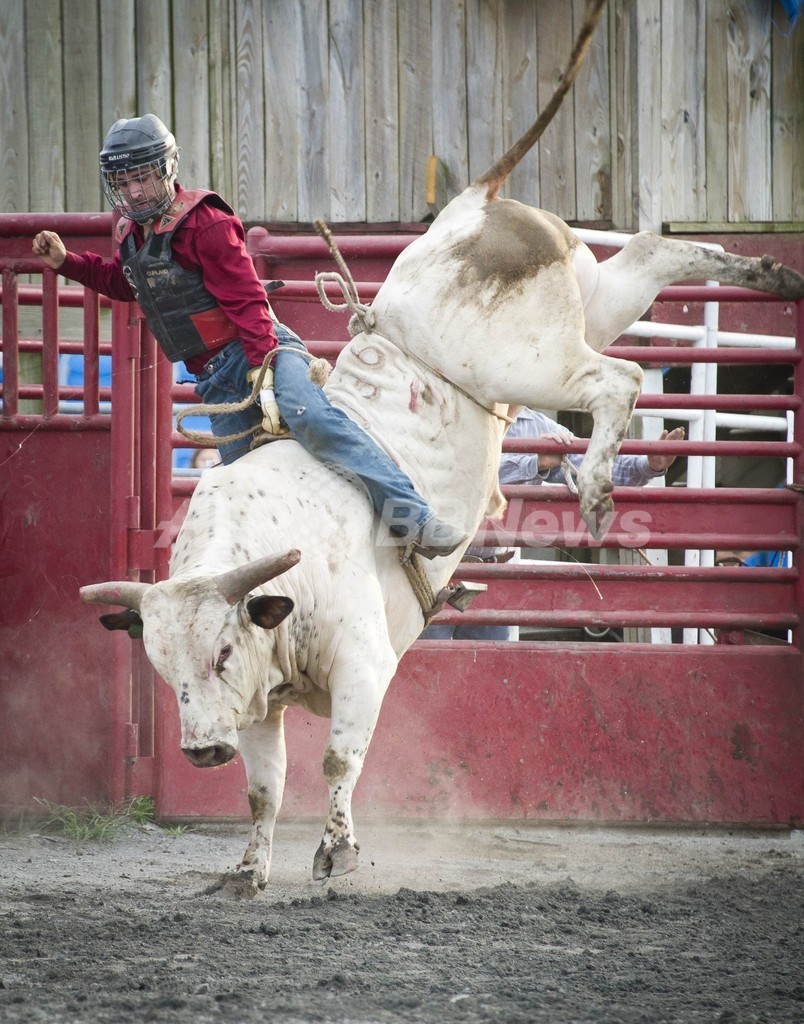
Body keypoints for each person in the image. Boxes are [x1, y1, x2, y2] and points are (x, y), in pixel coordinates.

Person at [31, 114, 464, 559]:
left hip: (260, 349)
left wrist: (265, 369)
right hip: (216, 380)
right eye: (125, 181)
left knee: (312, 418)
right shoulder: (127, 232)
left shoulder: (205, 224)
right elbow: (129, 284)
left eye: (143, 177)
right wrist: (68, 262)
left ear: (166, 171)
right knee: (242, 490)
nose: (135, 191)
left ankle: (416, 519)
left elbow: (248, 302)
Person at [423, 409, 685, 640]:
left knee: (485, 672)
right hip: (437, 570)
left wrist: (648, 464)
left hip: (491, 575)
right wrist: (535, 462)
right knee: (427, 672)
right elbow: (458, 472)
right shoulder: (457, 409)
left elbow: (592, 467)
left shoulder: (540, 427)